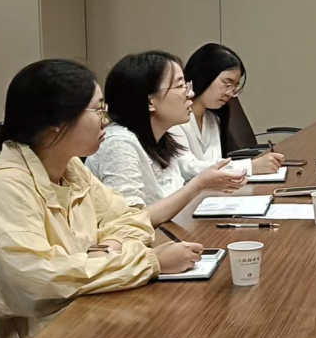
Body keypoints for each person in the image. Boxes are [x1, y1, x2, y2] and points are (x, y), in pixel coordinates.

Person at [0, 59, 204, 338]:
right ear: (57, 122)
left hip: (63, 329)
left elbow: (130, 219)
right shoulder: (3, 187)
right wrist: (149, 262)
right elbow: (40, 280)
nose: (106, 120)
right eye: (98, 109)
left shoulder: (70, 169)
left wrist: (109, 245)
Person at [86, 50, 248, 226]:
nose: (190, 94)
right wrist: (198, 185)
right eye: (180, 86)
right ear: (150, 102)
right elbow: (129, 221)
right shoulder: (119, 144)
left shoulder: (163, 139)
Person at [175, 43, 283, 178]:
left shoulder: (213, 120)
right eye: (226, 83)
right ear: (204, 74)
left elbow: (216, 164)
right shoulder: (174, 119)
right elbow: (187, 169)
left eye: (234, 87)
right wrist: (251, 167)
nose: (230, 93)